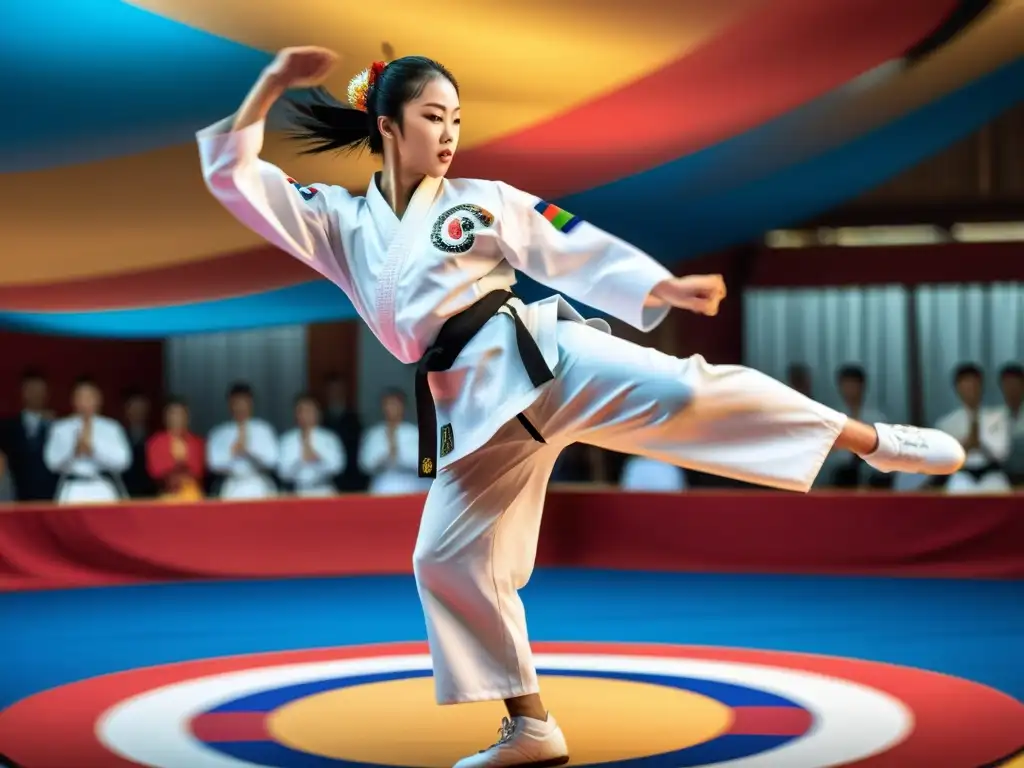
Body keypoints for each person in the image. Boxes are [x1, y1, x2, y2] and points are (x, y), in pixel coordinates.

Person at [197, 47, 966, 767]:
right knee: (442, 558)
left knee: (685, 388)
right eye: (435, 117)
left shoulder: (481, 201)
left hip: (542, 358)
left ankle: (871, 440)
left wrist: (659, 288)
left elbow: (568, 241)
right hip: (471, 410)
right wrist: (271, 82)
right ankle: (529, 725)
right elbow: (235, 173)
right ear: (389, 126)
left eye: (458, 120)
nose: (450, 134)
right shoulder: (336, 220)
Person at [43, 377, 132, 504]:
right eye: (80, 397)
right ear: (73, 400)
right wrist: (73, 452)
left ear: (99, 399)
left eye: (89, 396)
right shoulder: (60, 428)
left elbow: (124, 461)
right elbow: (51, 462)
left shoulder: (111, 427)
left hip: (103, 486)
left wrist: (93, 451)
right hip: (73, 487)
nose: (85, 402)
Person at [936, 363, 1012, 494]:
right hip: (962, 476)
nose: (970, 391)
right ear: (957, 389)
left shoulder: (998, 416)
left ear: (981, 387)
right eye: (965, 387)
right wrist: (967, 445)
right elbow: (945, 459)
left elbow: (1002, 454)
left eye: (974, 386)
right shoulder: (947, 423)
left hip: (992, 474)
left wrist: (980, 443)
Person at [206, 382, 280, 500]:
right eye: (236, 403)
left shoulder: (263, 429)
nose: (240, 407)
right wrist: (233, 453)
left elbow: (272, 460)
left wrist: (248, 451)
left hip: (259, 483)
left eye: (244, 402)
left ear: (251, 403)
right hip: (232, 484)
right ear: (229, 404)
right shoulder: (220, 432)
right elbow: (213, 464)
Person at [358, 388, 430, 495]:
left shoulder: (415, 433)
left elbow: (428, 465)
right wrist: (385, 455)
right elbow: (365, 464)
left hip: (411, 484)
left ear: (403, 407)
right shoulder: (374, 434)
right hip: (382, 485)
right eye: (388, 404)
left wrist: (400, 454)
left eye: (395, 404)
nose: (391, 408)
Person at [278, 393, 345, 497]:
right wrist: (300, 460)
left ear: (318, 413)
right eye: (301, 411)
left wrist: (317, 458)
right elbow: (282, 472)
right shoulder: (287, 439)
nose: (305, 415)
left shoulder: (329, 438)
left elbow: (337, 467)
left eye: (309, 410)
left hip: (324, 490)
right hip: (297, 491)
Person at [146, 398, 206, 501]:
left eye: (181, 414)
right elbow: (155, 471)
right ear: (165, 417)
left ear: (187, 417)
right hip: (167, 494)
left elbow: (198, 470)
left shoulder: (197, 442)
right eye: (173, 414)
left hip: (193, 495)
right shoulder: (155, 442)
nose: (177, 418)